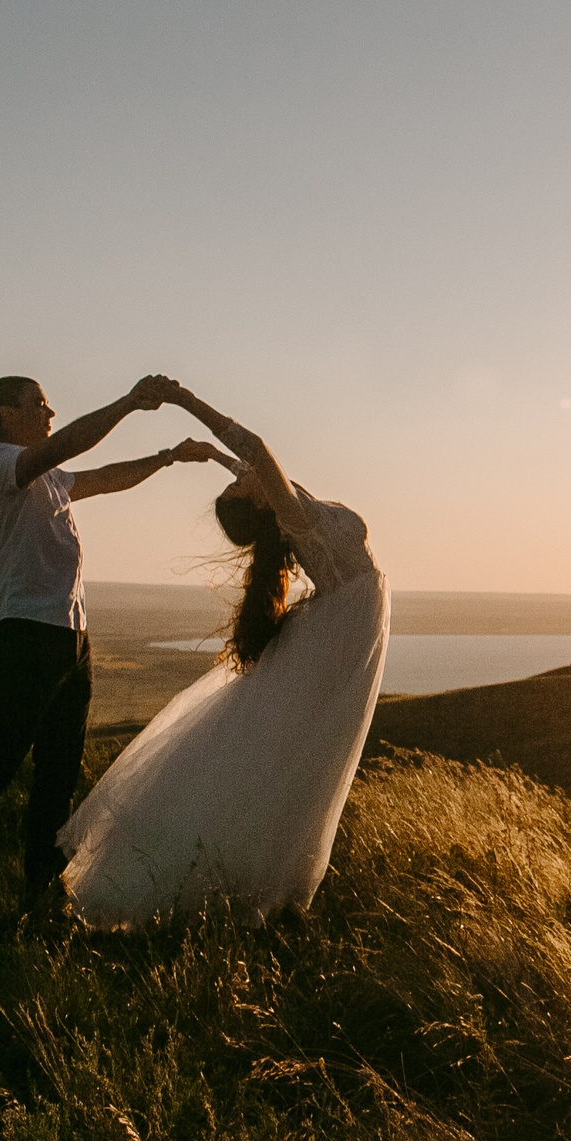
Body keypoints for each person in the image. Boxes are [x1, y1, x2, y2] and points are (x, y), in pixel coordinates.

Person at [56, 382, 390, 927]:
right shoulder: (291, 513)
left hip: (346, 622)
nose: (241, 475)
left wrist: (211, 456)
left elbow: (246, 462)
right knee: (287, 755)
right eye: (240, 483)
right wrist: (187, 400)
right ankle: (228, 883)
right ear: (260, 500)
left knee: (294, 754)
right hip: (344, 624)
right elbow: (256, 450)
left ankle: (257, 886)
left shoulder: (284, 504)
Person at [0, 374, 226, 928]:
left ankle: (42, 899)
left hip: (70, 637)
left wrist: (168, 456)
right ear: (8, 415)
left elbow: (103, 477)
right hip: (25, 632)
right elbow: (68, 444)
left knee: (58, 772)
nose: (50, 412)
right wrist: (127, 402)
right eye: (39, 404)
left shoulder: (49, 478)